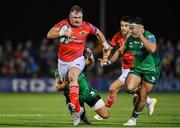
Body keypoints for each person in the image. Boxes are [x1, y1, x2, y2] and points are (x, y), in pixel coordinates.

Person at [47, 5, 110, 126]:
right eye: (75, 17)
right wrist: (62, 32)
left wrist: (106, 46)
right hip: (63, 63)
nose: (77, 20)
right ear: (70, 16)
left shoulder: (86, 26)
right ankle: (78, 111)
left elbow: (98, 33)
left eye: (79, 17)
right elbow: (49, 34)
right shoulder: (63, 24)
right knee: (71, 78)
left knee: (72, 76)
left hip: (77, 60)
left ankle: (77, 111)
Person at [94, 16, 157, 120]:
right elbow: (108, 48)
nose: (123, 28)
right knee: (127, 90)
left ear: (131, 27)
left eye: (126, 26)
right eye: (122, 25)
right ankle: (149, 100)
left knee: (112, 88)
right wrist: (106, 59)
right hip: (125, 68)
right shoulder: (118, 36)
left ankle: (106, 110)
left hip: (134, 68)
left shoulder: (134, 36)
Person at [55, 48, 109, 126]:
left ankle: (82, 114)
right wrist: (64, 85)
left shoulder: (79, 63)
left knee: (105, 115)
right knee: (80, 117)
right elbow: (57, 86)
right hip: (73, 97)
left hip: (88, 92)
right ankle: (82, 115)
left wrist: (91, 56)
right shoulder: (59, 70)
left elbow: (90, 62)